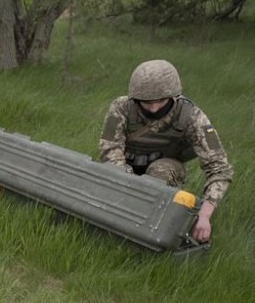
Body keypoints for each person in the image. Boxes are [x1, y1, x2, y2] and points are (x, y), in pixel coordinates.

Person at [99, 59, 232, 243]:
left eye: (161, 101)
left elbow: (220, 168)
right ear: (136, 98)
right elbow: (109, 149)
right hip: (124, 165)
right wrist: (125, 185)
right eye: (146, 102)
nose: (154, 108)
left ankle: (152, 228)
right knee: (111, 178)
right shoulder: (121, 107)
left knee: (161, 171)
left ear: (173, 96)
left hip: (165, 167)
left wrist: (204, 215)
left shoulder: (193, 118)